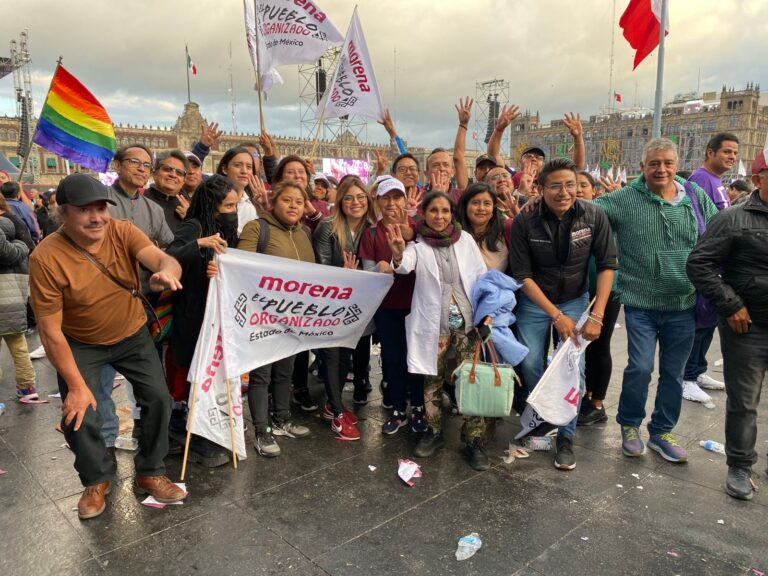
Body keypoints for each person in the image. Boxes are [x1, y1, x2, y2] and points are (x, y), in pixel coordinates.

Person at [29, 173, 186, 520]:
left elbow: (162, 258)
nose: (97, 217)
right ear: (63, 212)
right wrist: (75, 385)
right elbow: (50, 331)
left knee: (159, 397)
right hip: (80, 342)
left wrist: (166, 271)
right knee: (79, 411)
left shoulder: (123, 230)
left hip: (132, 334)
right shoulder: (46, 257)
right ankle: (96, 480)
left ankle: (151, 470)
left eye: (101, 208)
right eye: (85, 210)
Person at [594, 138, 717, 463]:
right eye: (654, 163)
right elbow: (589, 216)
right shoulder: (623, 200)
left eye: (667, 163)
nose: (661, 169)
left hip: (684, 304)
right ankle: (630, 425)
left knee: (674, 374)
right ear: (642, 167)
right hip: (641, 304)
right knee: (640, 367)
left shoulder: (695, 195)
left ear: (676, 166)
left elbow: (719, 233)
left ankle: (662, 431)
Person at [509, 159, 617, 470]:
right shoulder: (525, 221)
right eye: (555, 185)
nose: (564, 192)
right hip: (535, 301)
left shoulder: (593, 215)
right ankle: (544, 416)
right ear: (540, 189)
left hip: (575, 298)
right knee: (529, 361)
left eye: (570, 184)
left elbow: (608, 264)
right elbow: (523, 276)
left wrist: (595, 315)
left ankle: (566, 436)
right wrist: (556, 316)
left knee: (574, 367)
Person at [387, 191, 492, 470]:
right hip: (434, 327)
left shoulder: (466, 240)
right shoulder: (418, 246)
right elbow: (404, 266)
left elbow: (481, 277)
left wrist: (487, 314)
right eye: (433, 211)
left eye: (445, 211)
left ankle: (474, 439)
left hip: (468, 326)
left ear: (452, 214)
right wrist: (398, 252)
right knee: (432, 380)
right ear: (424, 214)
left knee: (472, 380)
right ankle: (433, 433)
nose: (439, 216)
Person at [686, 150, 768, 500]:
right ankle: (739, 464)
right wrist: (731, 304)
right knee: (744, 400)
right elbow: (700, 264)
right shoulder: (734, 218)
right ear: (761, 178)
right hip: (748, 328)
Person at [237, 181, 315, 456]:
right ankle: (262, 430)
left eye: (298, 201)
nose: (293, 206)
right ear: (273, 202)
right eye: (287, 200)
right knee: (262, 375)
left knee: (286, 372)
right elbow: (241, 268)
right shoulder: (258, 228)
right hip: (264, 316)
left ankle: (282, 419)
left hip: (294, 317)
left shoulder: (304, 232)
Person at [166, 174, 240, 461]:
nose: (232, 213)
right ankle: (192, 433)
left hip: (216, 313)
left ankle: (206, 428)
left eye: (235, 206)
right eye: (228, 207)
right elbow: (171, 256)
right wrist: (198, 244)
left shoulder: (229, 228)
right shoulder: (194, 226)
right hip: (192, 315)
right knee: (193, 374)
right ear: (212, 206)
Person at [358, 177, 425, 435]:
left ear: (405, 200)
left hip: (417, 304)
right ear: (377, 201)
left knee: (415, 358)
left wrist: (409, 233)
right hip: (387, 308)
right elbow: (367, 271)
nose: (392, 203)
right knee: (393, 358)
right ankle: (398, 409)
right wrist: (380, 267)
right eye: (386, 198)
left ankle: (417, 407)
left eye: (397, 197)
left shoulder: (418, 229)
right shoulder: (371, 233)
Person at [313, 176, 376, 440]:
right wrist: (344, 274)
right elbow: (320, 268)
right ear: (340, 201)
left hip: (357, 305)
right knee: (332, 356)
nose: (355, 202)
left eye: (360, 197)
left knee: (345, 357)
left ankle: (331, 404)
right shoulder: (327, 227)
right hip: (331, 304)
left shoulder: (370, 228)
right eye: (349, 197)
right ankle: (337, 413)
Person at [681, 133, 740, 404]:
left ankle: (698, 370)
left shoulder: (717, 182)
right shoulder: (701, 179)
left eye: (734, 153)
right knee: (700, 320)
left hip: (720, 262)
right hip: (706, 261)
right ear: (710, 152)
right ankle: (686, 377)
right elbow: (698, 222)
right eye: (726, 152)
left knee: (709, 320)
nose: (731, 157)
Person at [575, 171, 622, 426]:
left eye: (584, 185)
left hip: (605, 292)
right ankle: (584, 394)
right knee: (577, 347)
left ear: (594, 191)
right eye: (575, 185)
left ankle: (597, 403)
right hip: (573, 293)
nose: (580, 189)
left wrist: (616, 196)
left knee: (600, 345)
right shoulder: (566, 217)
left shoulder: (605, 214)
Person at [0, 202, 37, 401]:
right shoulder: (20, 242)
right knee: (19, 346)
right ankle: (27, 388)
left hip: (4, 297)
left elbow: (6, 252)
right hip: (15, 298)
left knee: (18, 346)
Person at [458, 182, 509, 272]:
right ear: (465, 206)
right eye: (475, 203)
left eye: (487, 203)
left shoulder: (505, 232)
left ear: (493, 208)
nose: (481, 208)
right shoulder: (455, 234)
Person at [215, 147, 263, 235]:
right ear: (224, 169)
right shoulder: (211, 199)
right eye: (237, 165)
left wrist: (264, 209)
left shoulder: (254, 206)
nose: (244, 171)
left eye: (249, 167)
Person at [144, 150, 190, 234]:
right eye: (167, 169)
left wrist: (191, 220)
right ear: (154, 174)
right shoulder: (140, 200)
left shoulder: (191, 207)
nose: (173, 175)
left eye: (179, 173)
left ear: (184, 180)